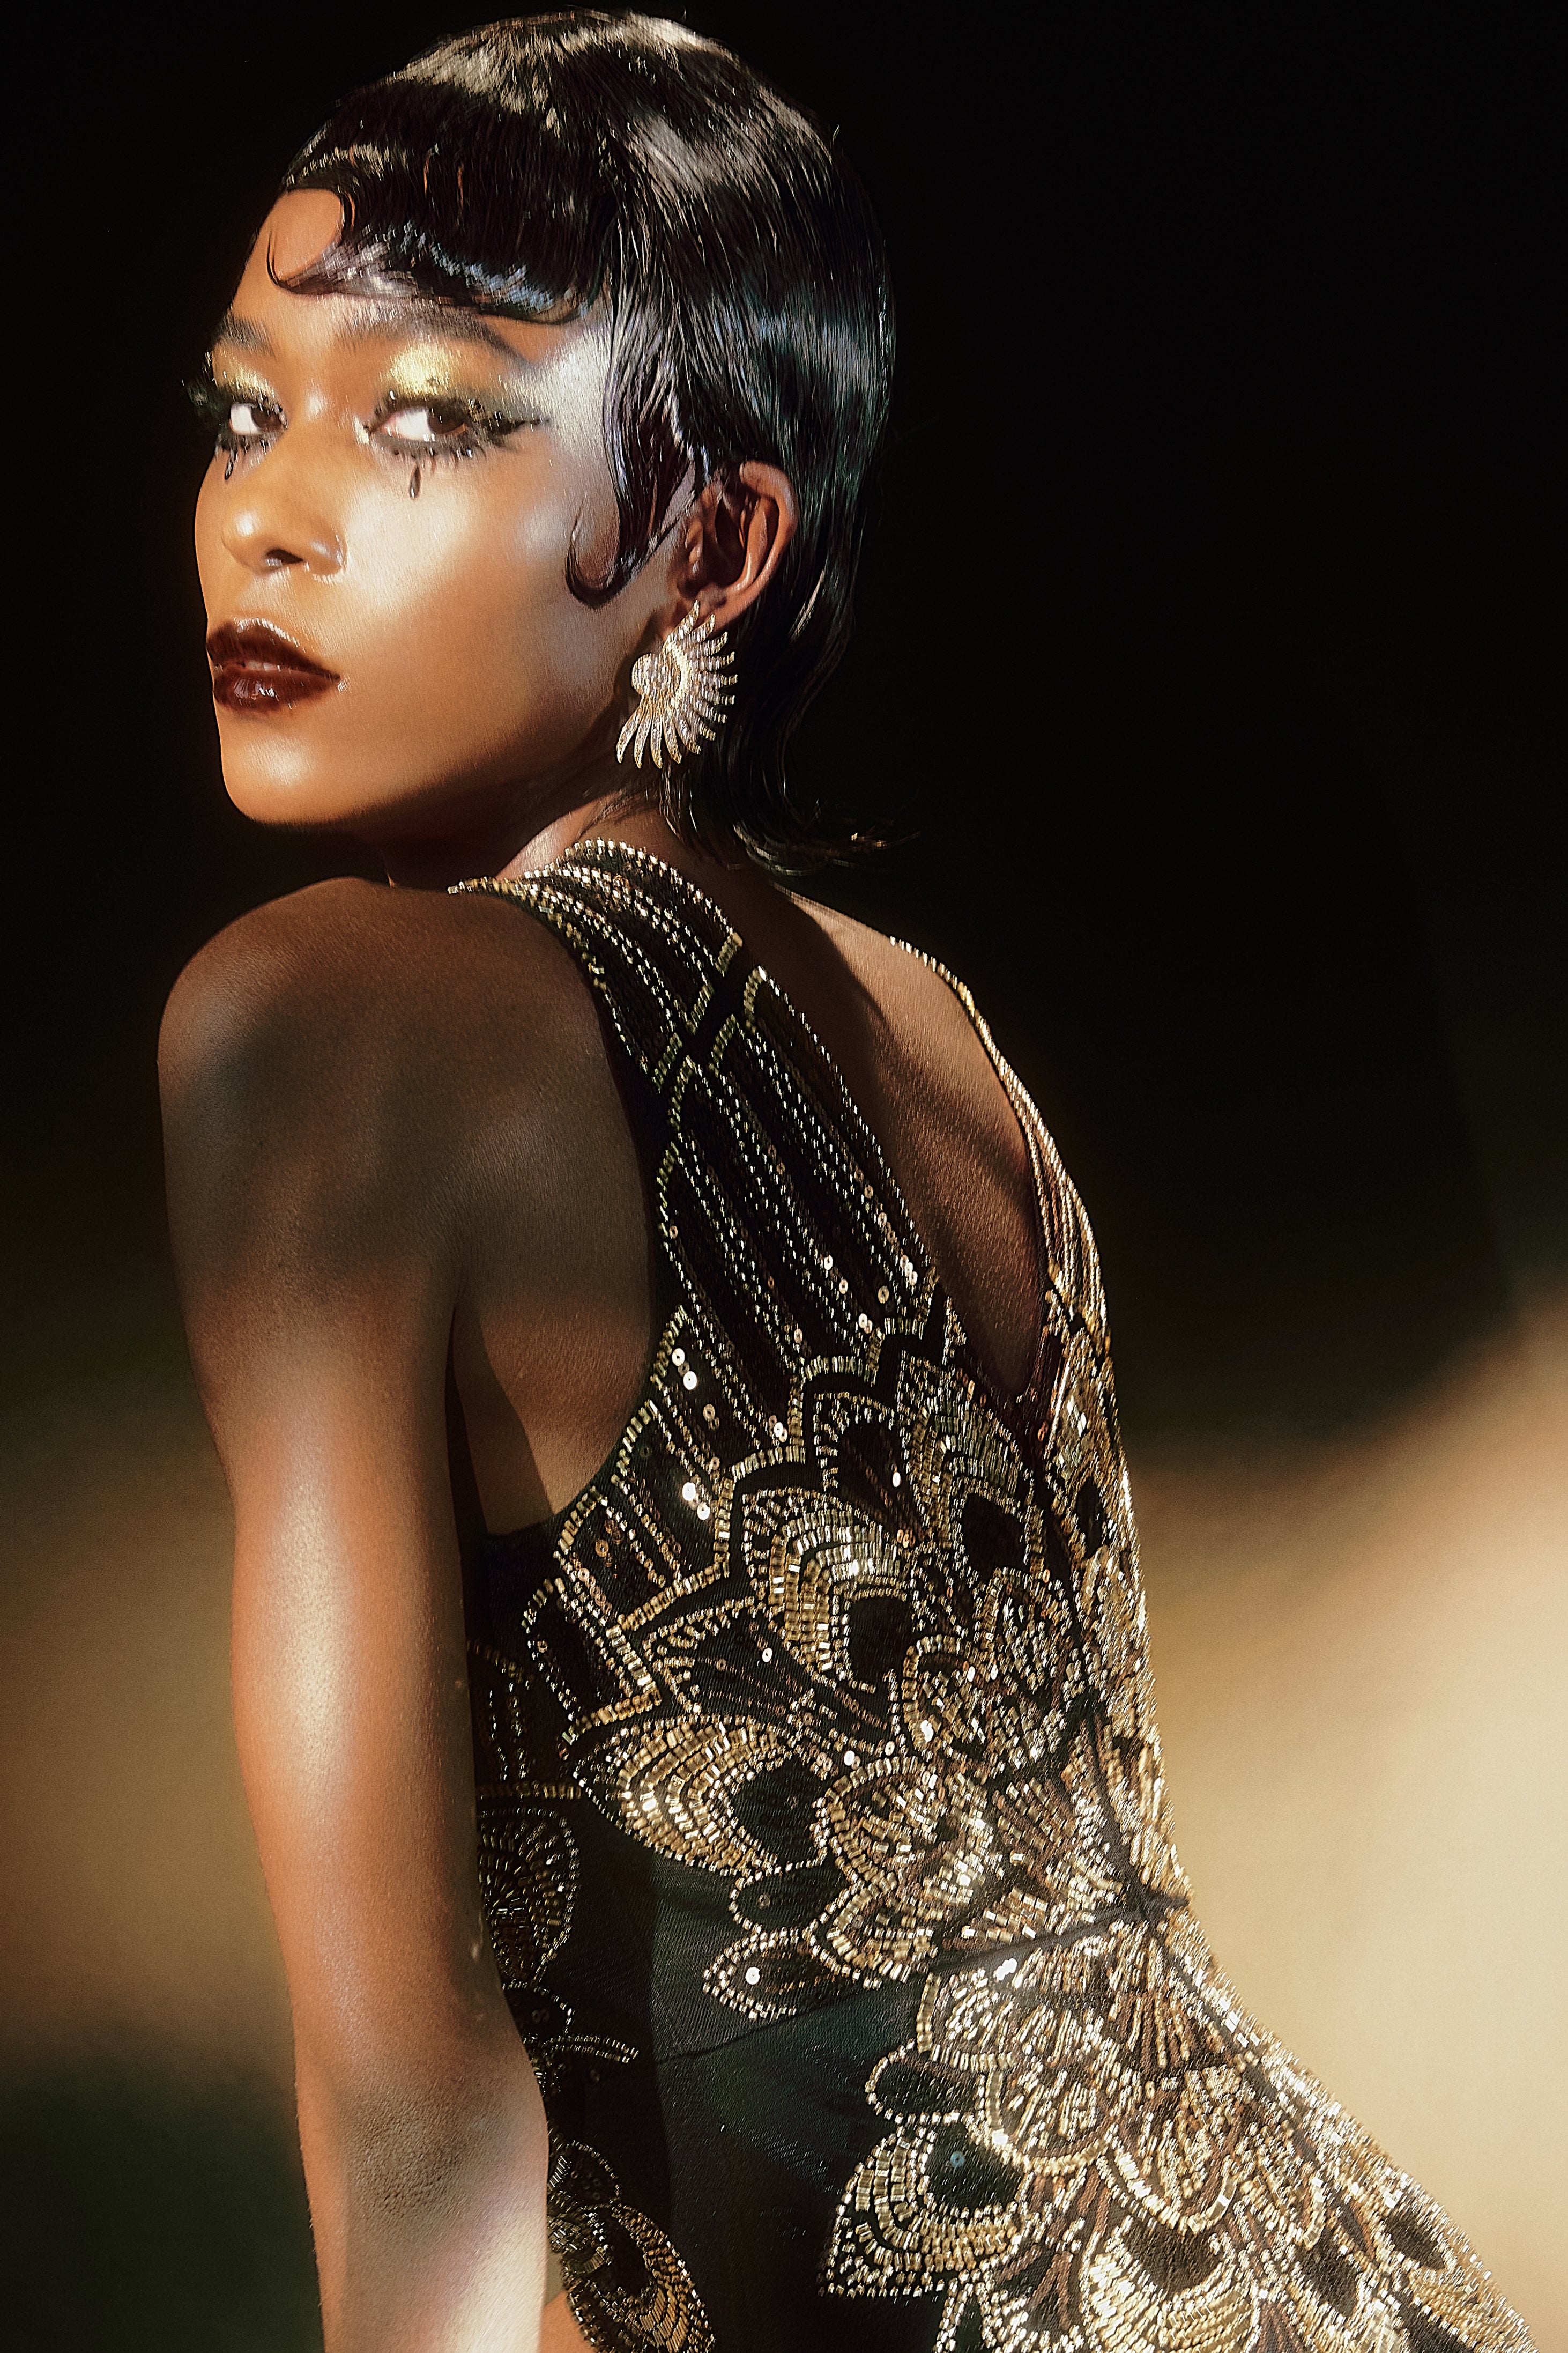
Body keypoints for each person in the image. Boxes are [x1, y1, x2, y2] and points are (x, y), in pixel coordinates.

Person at [158, 17, 1533, 2353]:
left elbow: (421, 2118)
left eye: (423, 421)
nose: (265, 512)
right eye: (238, 408)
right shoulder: (949, 1040)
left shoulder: (325, 1029)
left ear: (707, 544)